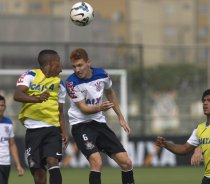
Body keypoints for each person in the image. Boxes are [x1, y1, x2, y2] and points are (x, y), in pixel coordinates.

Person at [65, 48, 135, 184]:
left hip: (99, 123)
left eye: (80, 65)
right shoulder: (71, 83)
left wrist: (121, 117)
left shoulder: (102, 74)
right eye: (74, 66)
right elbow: (83, 108)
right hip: (81, 126)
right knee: (97, 162)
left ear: (88, 62)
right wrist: (99, 107)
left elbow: (110, 93)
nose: (77, 69)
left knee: (126, 162)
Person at [155, 88, 210, 184]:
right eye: (204, 101)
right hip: (207, 178)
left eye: (209, 100)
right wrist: (165, 144)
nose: (205, 103)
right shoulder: (200, 128)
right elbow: (184, 149)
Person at [13, 49, 68, 184]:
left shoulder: (60, 84)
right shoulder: (30, 75)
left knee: (53, 161)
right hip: (33, 131)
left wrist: (64, 131)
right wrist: (37, 99)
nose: (60, 69)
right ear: (49, 64)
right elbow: (17, 95)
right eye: (58, 64)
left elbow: (60, 111)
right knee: (38, 172)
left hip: (52, 129)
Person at [0, 95, 24, 184]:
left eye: (2, 105)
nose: (0, 108)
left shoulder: (8, 123)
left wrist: (18, 165)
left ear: (5, 107)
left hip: (6, 162)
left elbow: (12, 145)